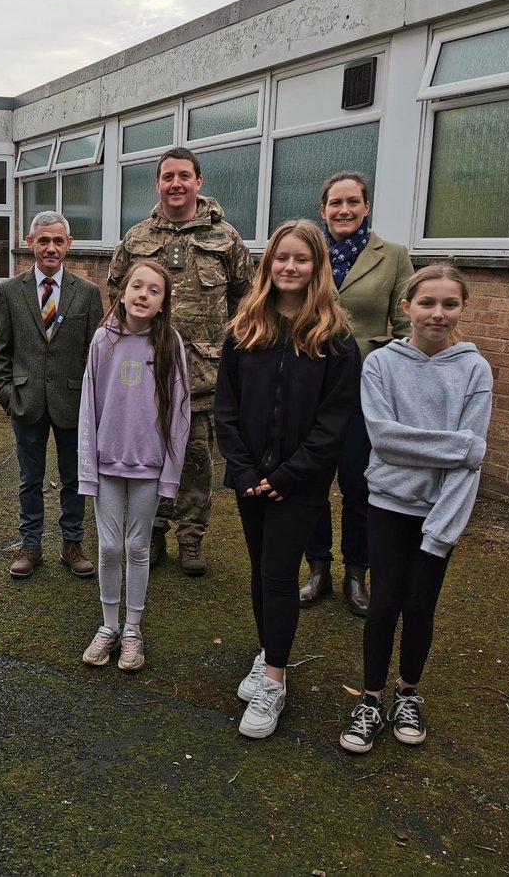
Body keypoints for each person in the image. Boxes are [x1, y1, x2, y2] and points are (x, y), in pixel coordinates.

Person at [215, 219, 358, 739]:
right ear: (267, 265)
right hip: (251, 480)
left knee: (278, 574)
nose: (290, 267)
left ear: (317, 267)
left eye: (301, 259)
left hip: (299, 485)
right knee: (260, 571)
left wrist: (290, 474)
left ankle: (275, 678)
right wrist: (245, 470)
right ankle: (266, 651)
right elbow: (226, 409)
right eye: (281, 258)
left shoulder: (335, 341)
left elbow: (334, 422)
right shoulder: (244, 330)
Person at [340, 265, 492, 754]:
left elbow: (471, 464)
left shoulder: (475, 370)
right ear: (406, 307)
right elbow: (384, 438)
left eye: (450, 304)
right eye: (427, 302)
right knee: (383, 604)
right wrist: (458, 446)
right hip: (386, 503)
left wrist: (441, 528)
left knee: (420, 607)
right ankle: (370, 699)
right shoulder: (381, 364)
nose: (438, 313)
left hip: (442, 509)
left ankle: (408, 693)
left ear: (462, 309)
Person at [109, 147, 252, 576]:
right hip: (147, 371)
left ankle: (191, 537)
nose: (176, 183)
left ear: (199, 181)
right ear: (158, 183)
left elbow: (245, 299)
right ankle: (152, 531)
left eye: (184, 176)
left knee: (196, 459)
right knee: (149, 453)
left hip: (203, 372)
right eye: (168, 176)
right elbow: (117, 292)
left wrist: (230, 353)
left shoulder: (226, 238)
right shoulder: (136, 239)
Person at [300, 172, 413, 615]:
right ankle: (318, 569)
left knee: (358, 485)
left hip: (366, 389)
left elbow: (405, 328)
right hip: (309, 384)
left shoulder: (394, 256)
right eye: (335, 203)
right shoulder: (308, 254)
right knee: (311, 481)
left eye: (353, 202)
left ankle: (356, 575)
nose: (343, 210)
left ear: (366, 207)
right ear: (323, 209)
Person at [78, 261, 190, 671]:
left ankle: (132, 630)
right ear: (122, 294)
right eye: (136, 286)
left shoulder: (169, 344)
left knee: (137, 547)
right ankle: (109, 627)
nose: (143, 294)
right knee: (108, 547)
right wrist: (86, 468)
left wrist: (170, 475)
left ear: (163, 303)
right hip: (107, 464)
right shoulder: (102, 340)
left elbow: (181, 412)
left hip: (149, 466)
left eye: (154, 290)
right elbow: (88, 408)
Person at [0, 211, 104, 579]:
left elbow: (94, 353)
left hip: (73, 403)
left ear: (68, 245)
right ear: (30, 244)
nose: (50, 248)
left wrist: (92, 400)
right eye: (44, 241)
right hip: (27, 402)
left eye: (58, 241)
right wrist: (8, 395)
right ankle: (31, 544)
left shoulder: (87, 293)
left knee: (74, 478)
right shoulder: (10, 292)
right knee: (30, 480)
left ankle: (73, 543)